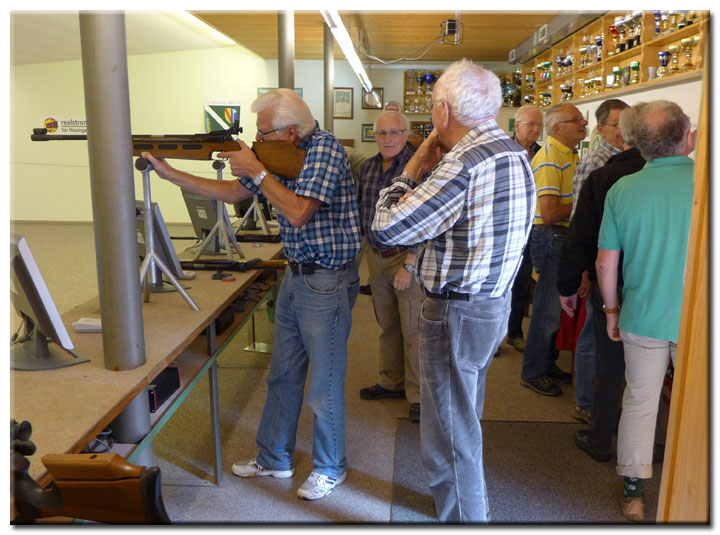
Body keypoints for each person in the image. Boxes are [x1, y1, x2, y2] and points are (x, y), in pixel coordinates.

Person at [142, 88, 361, 501]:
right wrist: (170, 174)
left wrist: (258, 171)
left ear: (291, 133)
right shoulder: (278, 155)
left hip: (328, 280)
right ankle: (274, 457)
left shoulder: (326, 149)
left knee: (324, 384)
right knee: (282, 375)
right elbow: (233, 193)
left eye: (264, 134)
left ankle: (331, 467)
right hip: (297, 277)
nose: (257, 142)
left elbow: (298, 211)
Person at [372, 59, 535, 523]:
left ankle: (465, 520)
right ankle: (458, 505)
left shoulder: (463, 160)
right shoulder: (511, 150)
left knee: (449, 429)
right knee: (461, 414)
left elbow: (386, 229)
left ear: (442, 110)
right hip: (489, 305)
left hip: (456, 313)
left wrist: (412, 168)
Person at [596, 100, 695, 522]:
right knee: (698, 404)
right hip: (699, 320)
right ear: (686, 136)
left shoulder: (623, 189)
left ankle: (634, 493)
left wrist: (611, 311)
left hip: (642, 313)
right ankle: (695, 483)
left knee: (640, 401)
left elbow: (606, 263)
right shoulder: (708, 183)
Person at [558, 103, 647, 462]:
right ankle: (642, 445)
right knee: (648, 370)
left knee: (609, 366)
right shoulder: (684, 176)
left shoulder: (607, 176)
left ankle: (600, 437)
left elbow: (581, 234)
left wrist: (568, 283)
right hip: (659, 287)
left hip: (612, 284)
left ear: (623, 134)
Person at [356, 110, 423, 423]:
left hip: (406, 258)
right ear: (374, 135)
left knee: (413, 330)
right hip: (377, 256)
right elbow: (363, 213)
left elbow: (429, 221)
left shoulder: (419, 168)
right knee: (388, 326)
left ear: (406, 133)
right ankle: (391, 382)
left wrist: (410, 263)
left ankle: (419, 397)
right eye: (381, 133)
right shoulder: (368, 168)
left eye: (394, 132)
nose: (388, 139)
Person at [565, 98, 629, 424]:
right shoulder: (596, 164)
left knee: (601, 335)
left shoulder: (627, 162)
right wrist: (585, 271)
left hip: (608, 264)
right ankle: (586, 403)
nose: (623, 131)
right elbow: (582, 222)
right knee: (593, 335)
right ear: (601, 129)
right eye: (617, 125)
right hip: (597, 265)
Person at [520, 103, 587, 396]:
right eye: (577, 120)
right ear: (558, 128)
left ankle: (545, 364)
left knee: (554, 308)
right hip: (550, 237)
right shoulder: (549, 157)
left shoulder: (569, 153)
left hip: (560, 237)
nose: (584, 123)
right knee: (546, 310)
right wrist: (587, 201)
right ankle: (533, 371)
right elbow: (548, 213)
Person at [505, 104, 543, 354]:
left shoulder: (542, 153)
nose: (536, 129)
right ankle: (495, 336)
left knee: (521, 284)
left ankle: (514, 333)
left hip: (531, 227)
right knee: (499, 285)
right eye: (530, 124)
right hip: (504, 226)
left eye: (539, 125)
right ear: (517, 125)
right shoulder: (502, 149)